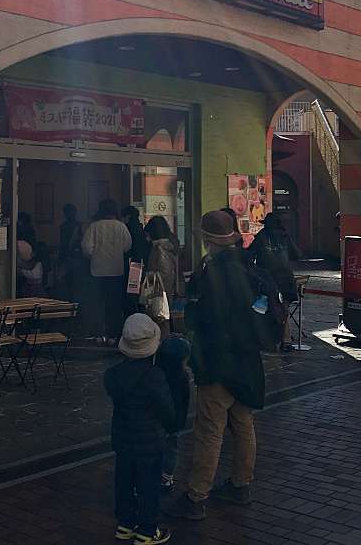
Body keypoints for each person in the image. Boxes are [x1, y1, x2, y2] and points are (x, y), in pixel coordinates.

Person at [168, 210, 264, 521]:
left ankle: (197, 495)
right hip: (247, 360)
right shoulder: (249, 265)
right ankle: (241, 484)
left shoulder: (209, 272)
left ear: (208, 241)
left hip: (217, 360)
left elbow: (199, 317)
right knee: (243, 424)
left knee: (210, 431)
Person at [104, 314, 175, 545]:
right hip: (150, 441)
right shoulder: (154, 377)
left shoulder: (113, 376)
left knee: (123, 481)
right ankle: (147, 529)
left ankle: (125, 523)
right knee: (148, 486)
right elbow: (166, 409)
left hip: (123, 438)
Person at [82, 199, 132, 346]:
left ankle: (98, 334)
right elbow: (127, 246)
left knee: (97, 304)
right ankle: (113, 335)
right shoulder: (121, 226)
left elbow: (86, 248)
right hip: (116, 270)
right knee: (114, 305)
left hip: (97, 270)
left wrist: (95, 255)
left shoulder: (94, 226)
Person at [248, 213, 301, 350]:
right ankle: (284, 340)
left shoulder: (262, 236)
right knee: (282, 309)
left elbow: (249, 254)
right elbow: (297, 255)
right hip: (286, 281)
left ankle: (274, 340)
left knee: (267, 309)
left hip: (268, 280)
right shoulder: (284, 235)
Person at [157, 334, 191, 493]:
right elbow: (184, 403)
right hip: (174, 422)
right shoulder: (183, 378)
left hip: (156, 421)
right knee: (171, 449)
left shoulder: (156, 375)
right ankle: (167, 477)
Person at [144, 216, 179, 341]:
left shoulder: (159, 249)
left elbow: (164, 271)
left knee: (160, 320)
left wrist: (150, 283)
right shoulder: (168, 246)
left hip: (158, 291)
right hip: (166, 289)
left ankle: (160, 346)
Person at [58, 203, 84, 297]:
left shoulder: (65, 226)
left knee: (69, 281)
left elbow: (63, 243)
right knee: (72, 281)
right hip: (73, 255)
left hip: (70, 255)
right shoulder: (76, 225)